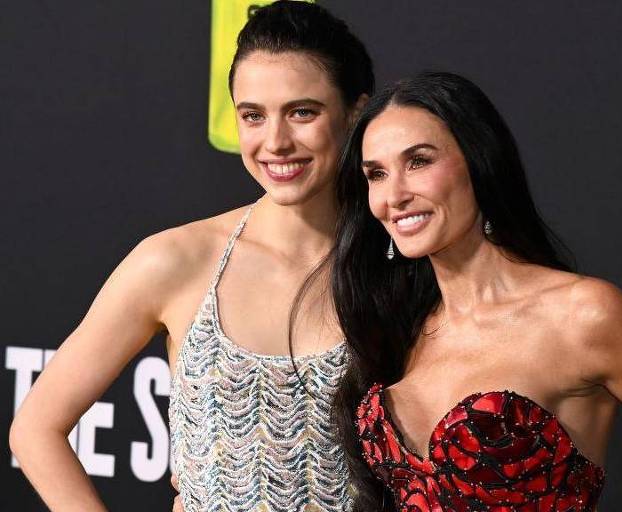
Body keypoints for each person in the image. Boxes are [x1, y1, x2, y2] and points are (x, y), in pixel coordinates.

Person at [329, 71, 622, 511]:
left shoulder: (585, 314)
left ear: (479, 161)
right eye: (376, 174)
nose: (394, 195)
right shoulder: (399, 323)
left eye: (419, 161)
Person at [9, 3, 373, 511]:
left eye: (302, 112)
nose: (276, 142)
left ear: (356, 113)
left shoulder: (401, 265)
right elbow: (35, 428)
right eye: (253, 116)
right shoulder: (177, 261)